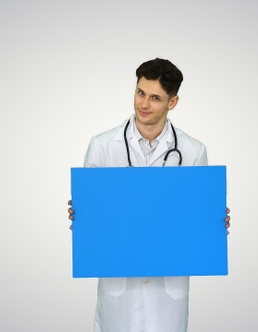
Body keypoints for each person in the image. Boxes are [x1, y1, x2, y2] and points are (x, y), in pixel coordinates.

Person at [67, 58, 230, 332]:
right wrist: (82, 215)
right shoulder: (102, 146)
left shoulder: (193, 152)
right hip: (119, 287)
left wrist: (212, 223)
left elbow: (194, 219)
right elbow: (95, 219)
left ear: (172, 102)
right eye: (140, 92)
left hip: (167, 291)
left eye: (155, 98)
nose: (144, 104)